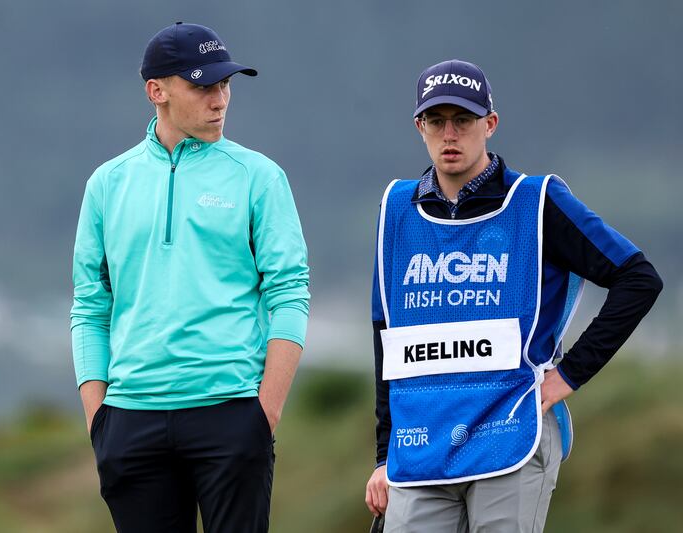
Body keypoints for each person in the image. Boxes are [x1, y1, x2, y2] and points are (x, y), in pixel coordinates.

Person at [364, 59, 662, 532]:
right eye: (436, 121)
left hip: (511, 434)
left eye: (463, 120)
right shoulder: (396, 209)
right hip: (420, 447)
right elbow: (389, 341)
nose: (450, 135)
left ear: (490, 124)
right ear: (419, 126)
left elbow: (638, 279)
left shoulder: (536, 201)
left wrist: (568, 376)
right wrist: (383, 455)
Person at [70, 22, 310, 533]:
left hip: (232, 412)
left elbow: (289, 293)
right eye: (203, 85)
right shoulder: (107, 183)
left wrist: (264, 414)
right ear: (156, 91)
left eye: (225, 84)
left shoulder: (258, 176)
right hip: (130, 418)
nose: (219, 98)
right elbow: (90, 307)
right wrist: (99, 420)